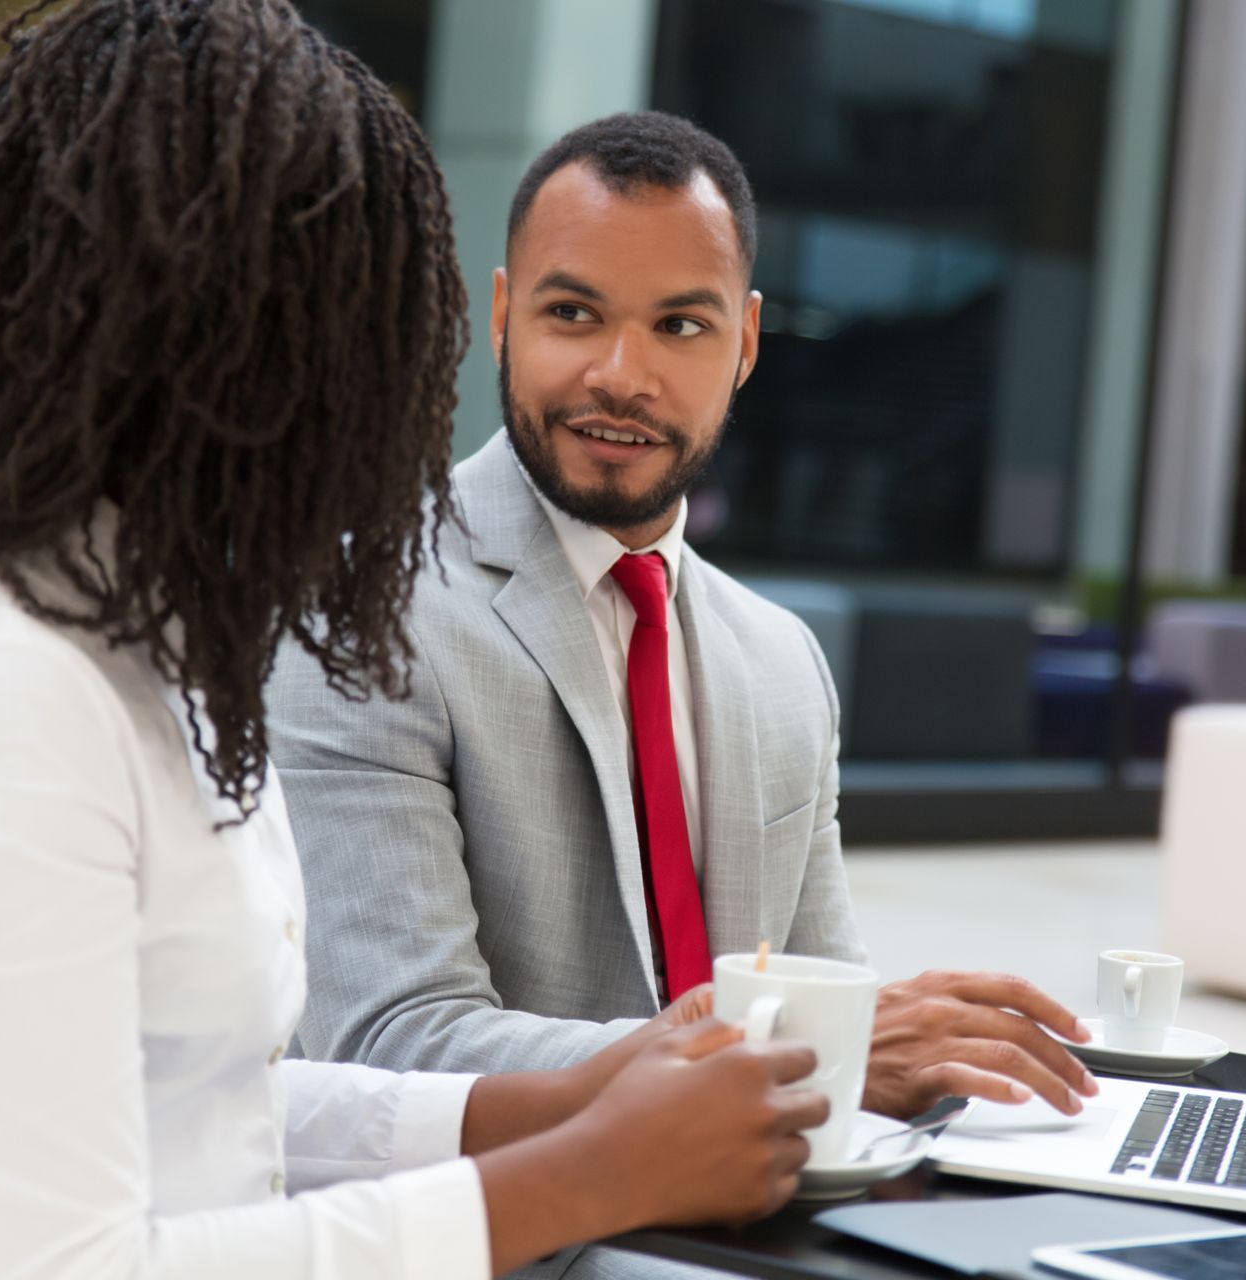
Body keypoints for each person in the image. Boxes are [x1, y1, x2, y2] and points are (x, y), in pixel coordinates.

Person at [0, 7, 827, 1278]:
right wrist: (582, 1174)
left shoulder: (144, 659)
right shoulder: (2, 697)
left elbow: (221, 1110)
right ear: (221, 358)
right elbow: (62, 1266)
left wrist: (582, 1093)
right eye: (355, 343)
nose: (383, 409)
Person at [267, 113, 1102, 1143]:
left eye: (681, 325)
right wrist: (795, 1045)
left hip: (761, 1211)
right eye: (574, 312)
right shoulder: (359, 611)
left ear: (746, 342)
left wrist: (953, 1069)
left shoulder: (781, 660)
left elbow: (840, 1019)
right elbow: (394, 1043)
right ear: (500, 316)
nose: (622, 373)